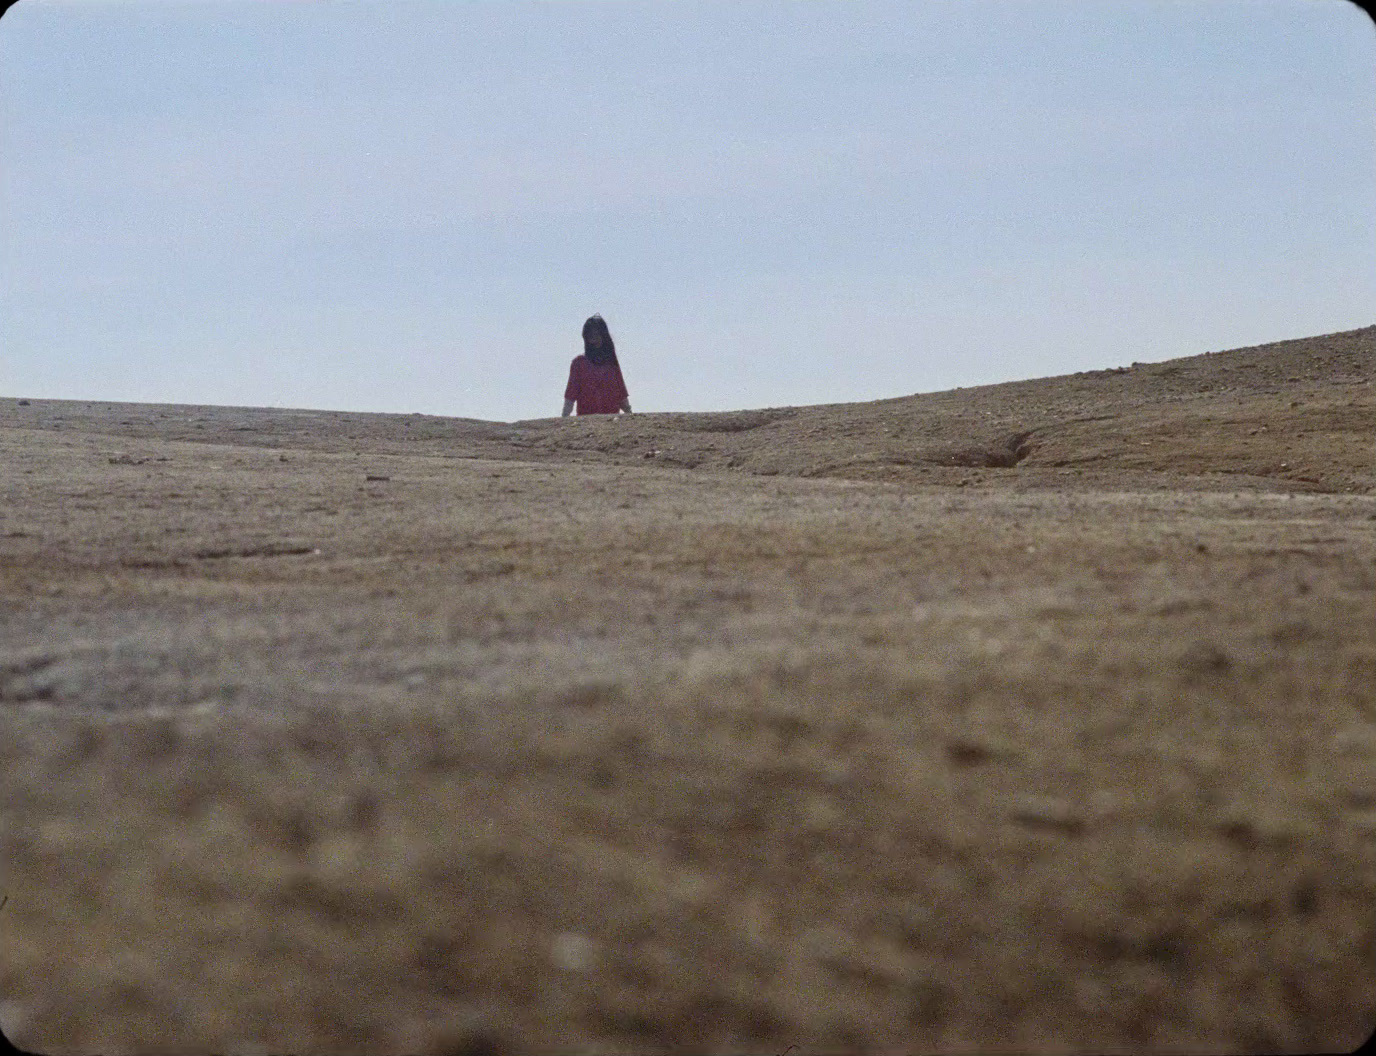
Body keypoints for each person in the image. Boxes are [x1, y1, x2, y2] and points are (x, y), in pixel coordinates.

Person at [562, 314, 632, 416]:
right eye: (591, 336)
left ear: (603, 336)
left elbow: (622, 397)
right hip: (587, 422)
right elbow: (570, 397)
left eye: (597, 335)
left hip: (611, 423)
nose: (594, 340)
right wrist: (563, 419)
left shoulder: (611, 365)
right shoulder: (579, 364)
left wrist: (630, 416)